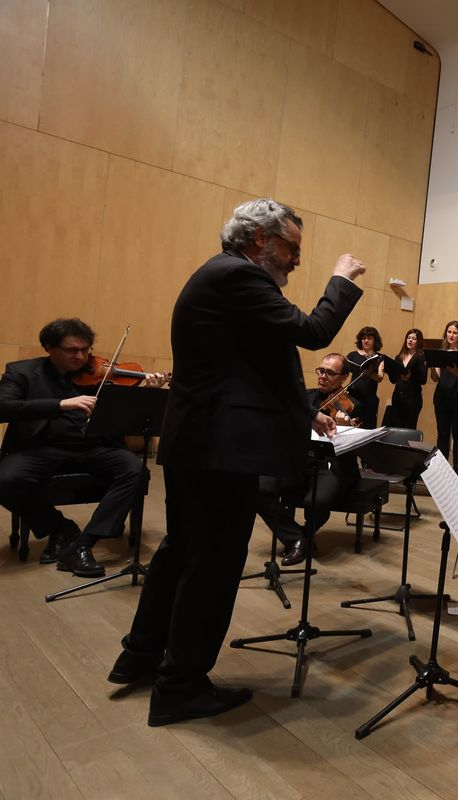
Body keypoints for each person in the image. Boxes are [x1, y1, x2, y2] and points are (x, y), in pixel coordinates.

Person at [110, 198, 365, 727]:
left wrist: (302, 415)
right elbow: (312, 333)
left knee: (182, 555)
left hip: (201, 446)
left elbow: (255, 367)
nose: (297, 259)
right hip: (218, 452)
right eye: (292, 247)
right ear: (259, 241)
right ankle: (180, 686)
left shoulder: (227, 279)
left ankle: (143, 657)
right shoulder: (236, 278)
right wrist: (341, 279)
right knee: (213, 567)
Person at [0, 318, 166, 577]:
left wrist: (150, 392)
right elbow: (4, 407)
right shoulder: (21, 372)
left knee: (135, 471)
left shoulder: (103, 374)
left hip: (94, 447)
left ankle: (83, 544)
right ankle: (59, 528)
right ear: (49, 347)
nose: (81, 356)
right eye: (71, 350)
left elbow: (128, 417)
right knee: (5, 479)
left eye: (86, 349)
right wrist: (61, 404)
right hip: (41, 448)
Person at [257, 353, 363, 566]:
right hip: (298, 463)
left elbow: (358, 446)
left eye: (329, 373)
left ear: (344, 378)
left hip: (330, 467)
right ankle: (296, 537)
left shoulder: (353, 405)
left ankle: (302, 537)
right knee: (258, 487)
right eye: (321, 371)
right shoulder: (304, 398)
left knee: (317, 500)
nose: (322, 376)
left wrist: (346, 428)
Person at [430, 321, 458, 474]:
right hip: (442, 397)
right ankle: (442, 467)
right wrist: (431, 366)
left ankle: (457, 467)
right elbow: (435, 378)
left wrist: (457, 373)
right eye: (449, 332)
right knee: (442, 434)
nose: (451, 335)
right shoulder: (441, 351)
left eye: (455, 333)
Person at [382, 328, 427, 429]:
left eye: (413, 339)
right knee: (396, 427)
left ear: (418, 341)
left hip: (413, 398)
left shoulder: (421, 356)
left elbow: (423, 379)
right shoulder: (399, 357)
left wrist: (410, 376)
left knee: (409, 427)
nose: (410, 340)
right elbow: (393, 380)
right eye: (408, 337)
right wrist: (389, 371)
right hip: (397, 396)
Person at [344, 326, 385, 428]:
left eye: (369, 338)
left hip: (369, 399)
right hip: (352, 397)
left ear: (374, 341)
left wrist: (371, 373)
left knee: (367, 427)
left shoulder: (379, 358)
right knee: (350, 426)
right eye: (363, 338)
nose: (366, 341)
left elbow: (380, 377)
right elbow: (342, 372)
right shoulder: (352, 355)